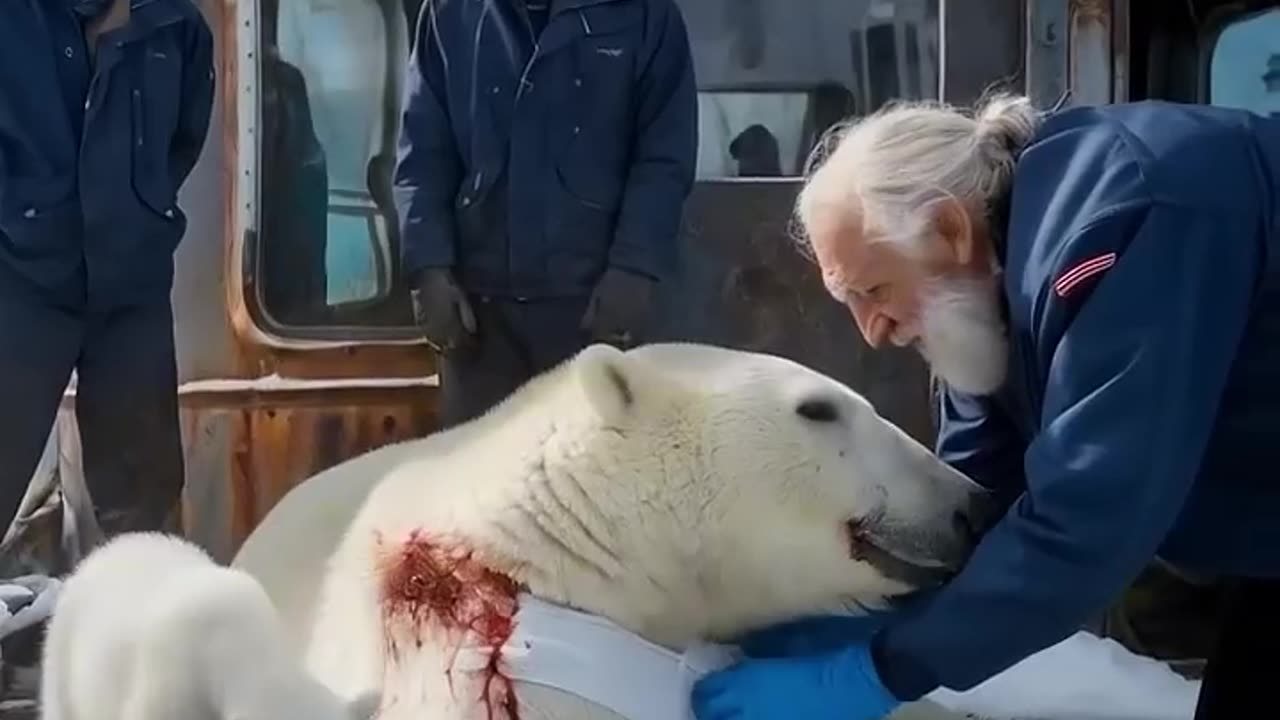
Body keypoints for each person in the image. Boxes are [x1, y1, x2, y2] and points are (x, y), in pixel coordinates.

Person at [690, 94, 1280, 719]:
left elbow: (1088, 520)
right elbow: (976, 495)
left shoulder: (1127, 219)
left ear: (948, 228)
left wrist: (878, 669)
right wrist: (884, 613)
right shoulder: (979, 283)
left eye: (875, 291)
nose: (873, 332)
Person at [393, 0, 698, 428]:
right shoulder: (449, 13)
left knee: (596, 481)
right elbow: (423, 153)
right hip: (480, 321)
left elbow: (664, 159)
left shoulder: (646, 15)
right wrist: (427, 270)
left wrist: (635, 271)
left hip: (592, 317)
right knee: (483, 485)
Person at [0, 0, 215, 541]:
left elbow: (183, 139)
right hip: (21, 281)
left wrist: (138, 209)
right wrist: (27, 216)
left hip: (130, 292)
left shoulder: (176, 24)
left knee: (145, 508)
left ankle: (146, 621)